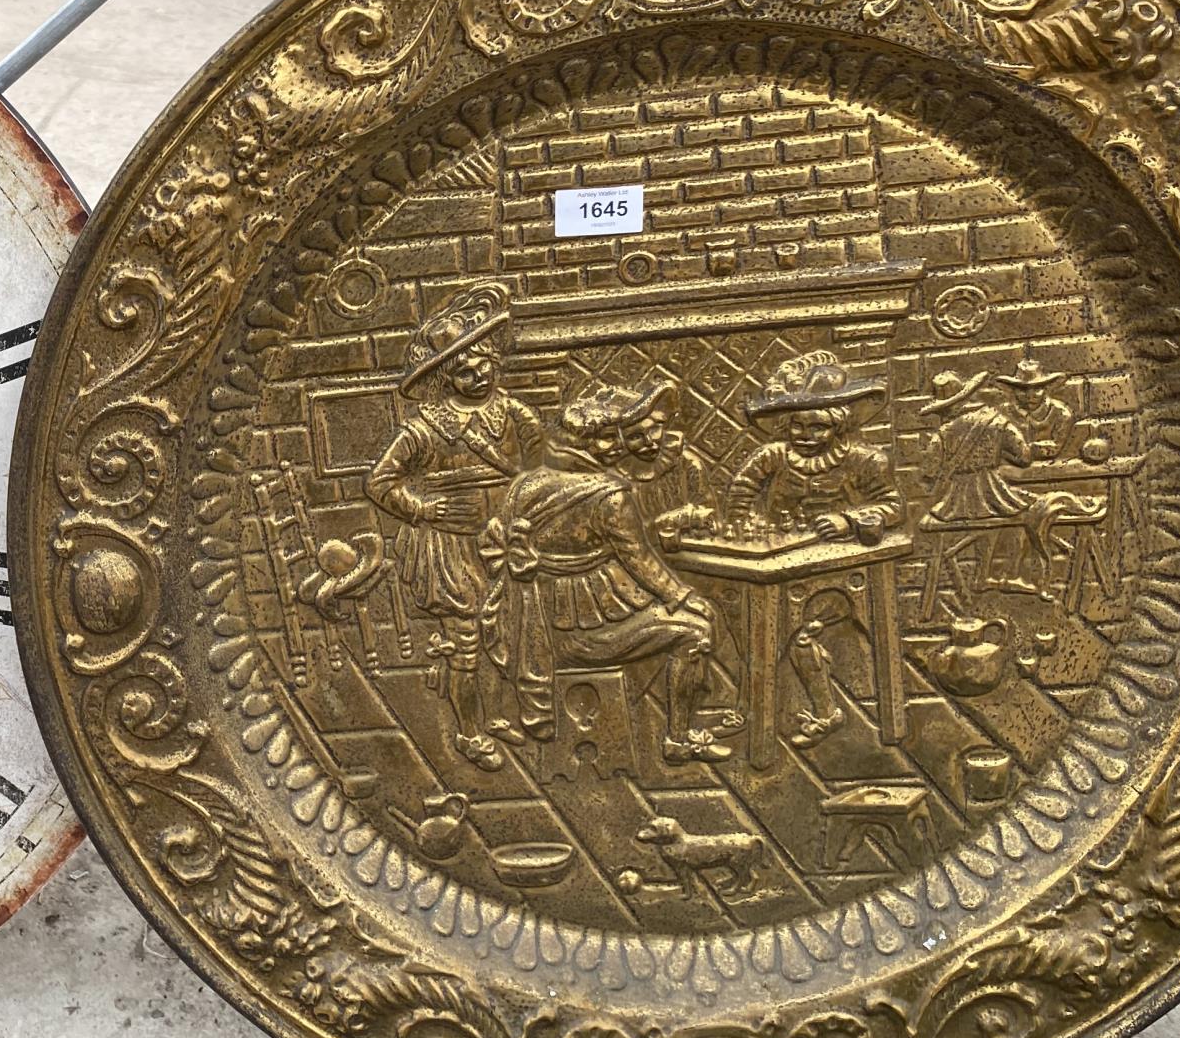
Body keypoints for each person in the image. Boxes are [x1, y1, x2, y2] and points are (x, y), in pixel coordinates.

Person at [487, 378, 726, 763]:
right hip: (583, 632)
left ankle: (697, 706)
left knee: (691, 619)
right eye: (611, 438)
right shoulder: (608, 495)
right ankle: (679, 739)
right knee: (696, 631)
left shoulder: (525, 485)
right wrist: (682, 596)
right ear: (591, 444)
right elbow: (640, 560)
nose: (620, 446)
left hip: (536, 628)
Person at [368, 285, 546, 769]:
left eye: (482, 364)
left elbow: (540, 472)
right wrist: (422, 510)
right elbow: (380, 482)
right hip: (448, 548)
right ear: (446, 377)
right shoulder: (424, 429)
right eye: (463, 370)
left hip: (506, 539)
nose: (476, 375)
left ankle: (500, 714)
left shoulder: (515, 415)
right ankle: (468, 731)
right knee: (465, 641)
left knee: (510, 630)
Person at [724, 351, 902, 542]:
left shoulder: (866, 460)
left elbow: (894, 507)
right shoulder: (771, 456)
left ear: (838, 427)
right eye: (797, 426)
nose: (806, 436)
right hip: (780, 547)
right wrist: (740, 524)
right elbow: (742, 489)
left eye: (818, 427)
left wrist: (848, 520)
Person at [998, 354, 1078, 462]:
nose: (1030, 395)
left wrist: (1025, 450)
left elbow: (1055, 447)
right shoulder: (1003, 412)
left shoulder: (1061, 414)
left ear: (1046, 389)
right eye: (1023, 390)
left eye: (1037, 389)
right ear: (1014, 390)